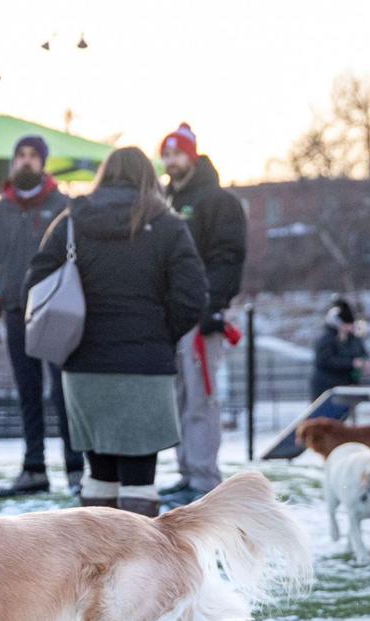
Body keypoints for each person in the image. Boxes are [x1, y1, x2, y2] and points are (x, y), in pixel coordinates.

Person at [24, 146, 207, 517]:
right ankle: (139, 564)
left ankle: (96, 562)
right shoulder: (168, 225)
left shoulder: (71, 221)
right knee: (140, 477)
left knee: (99, 471)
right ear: (149, 178)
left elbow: (36, 280)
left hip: (84, 364)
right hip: (146, 366)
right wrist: (161, 334)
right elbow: (192, 296)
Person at [0, 134, 84, 497]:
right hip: (15, 310)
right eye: (20, 155)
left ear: (43, 162)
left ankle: (76, 469)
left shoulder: (63, 205)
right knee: (28, 393)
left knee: (63, 391)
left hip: (55, 310)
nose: (26, 161)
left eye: (32, 156)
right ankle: (34, 468)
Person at [158, 123, 248, 509]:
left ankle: (205, 477)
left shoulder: (217, 201)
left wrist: (213, 304)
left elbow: (228, 257)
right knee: (178, 400)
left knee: (200, 399)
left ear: (191, 155)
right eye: (166, 154)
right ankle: (186, 472)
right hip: (170, 316)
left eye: (176, 153)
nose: (170, 161)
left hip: (200, 317)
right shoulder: (167, 201)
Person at [310, 297, 370, 400]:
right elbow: (327, 361)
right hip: (327, 387)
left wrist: (365, 362)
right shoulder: (326, 340)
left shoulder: (354, 338)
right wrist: (352, 363)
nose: (350, 327)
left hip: (348, 385)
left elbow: (362, 353)